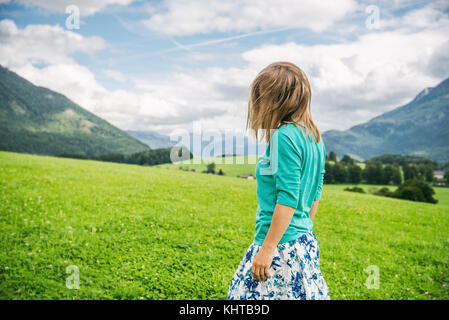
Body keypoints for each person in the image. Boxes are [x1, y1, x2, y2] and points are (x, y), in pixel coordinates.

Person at [227, 61, 329, 300]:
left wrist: (269, 248)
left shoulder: (284, 136)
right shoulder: (313, 136)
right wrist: (302, 228)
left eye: (261, 98)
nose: (257, 105)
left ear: (277, 100)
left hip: (279, 245)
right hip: (303, 241)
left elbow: (287, 198)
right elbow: (316, 191)